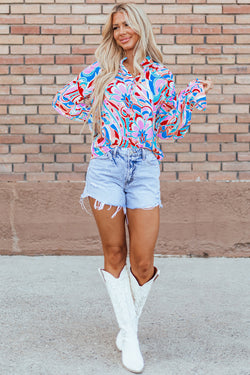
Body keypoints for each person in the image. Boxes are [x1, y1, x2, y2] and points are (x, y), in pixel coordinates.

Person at [52, 2, 213, 373]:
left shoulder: (161, 75)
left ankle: (129, 329)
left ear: (140, 26)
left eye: (127, 24)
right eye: (116, 27)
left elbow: (170, 127)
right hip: (106, 167)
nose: (121, 31)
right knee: (115, 252)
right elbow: (65, 102)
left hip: (144, 169)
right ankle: (131, 337)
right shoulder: (102, 72)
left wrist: (191, 96)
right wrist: (93, 107)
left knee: (143, 263)